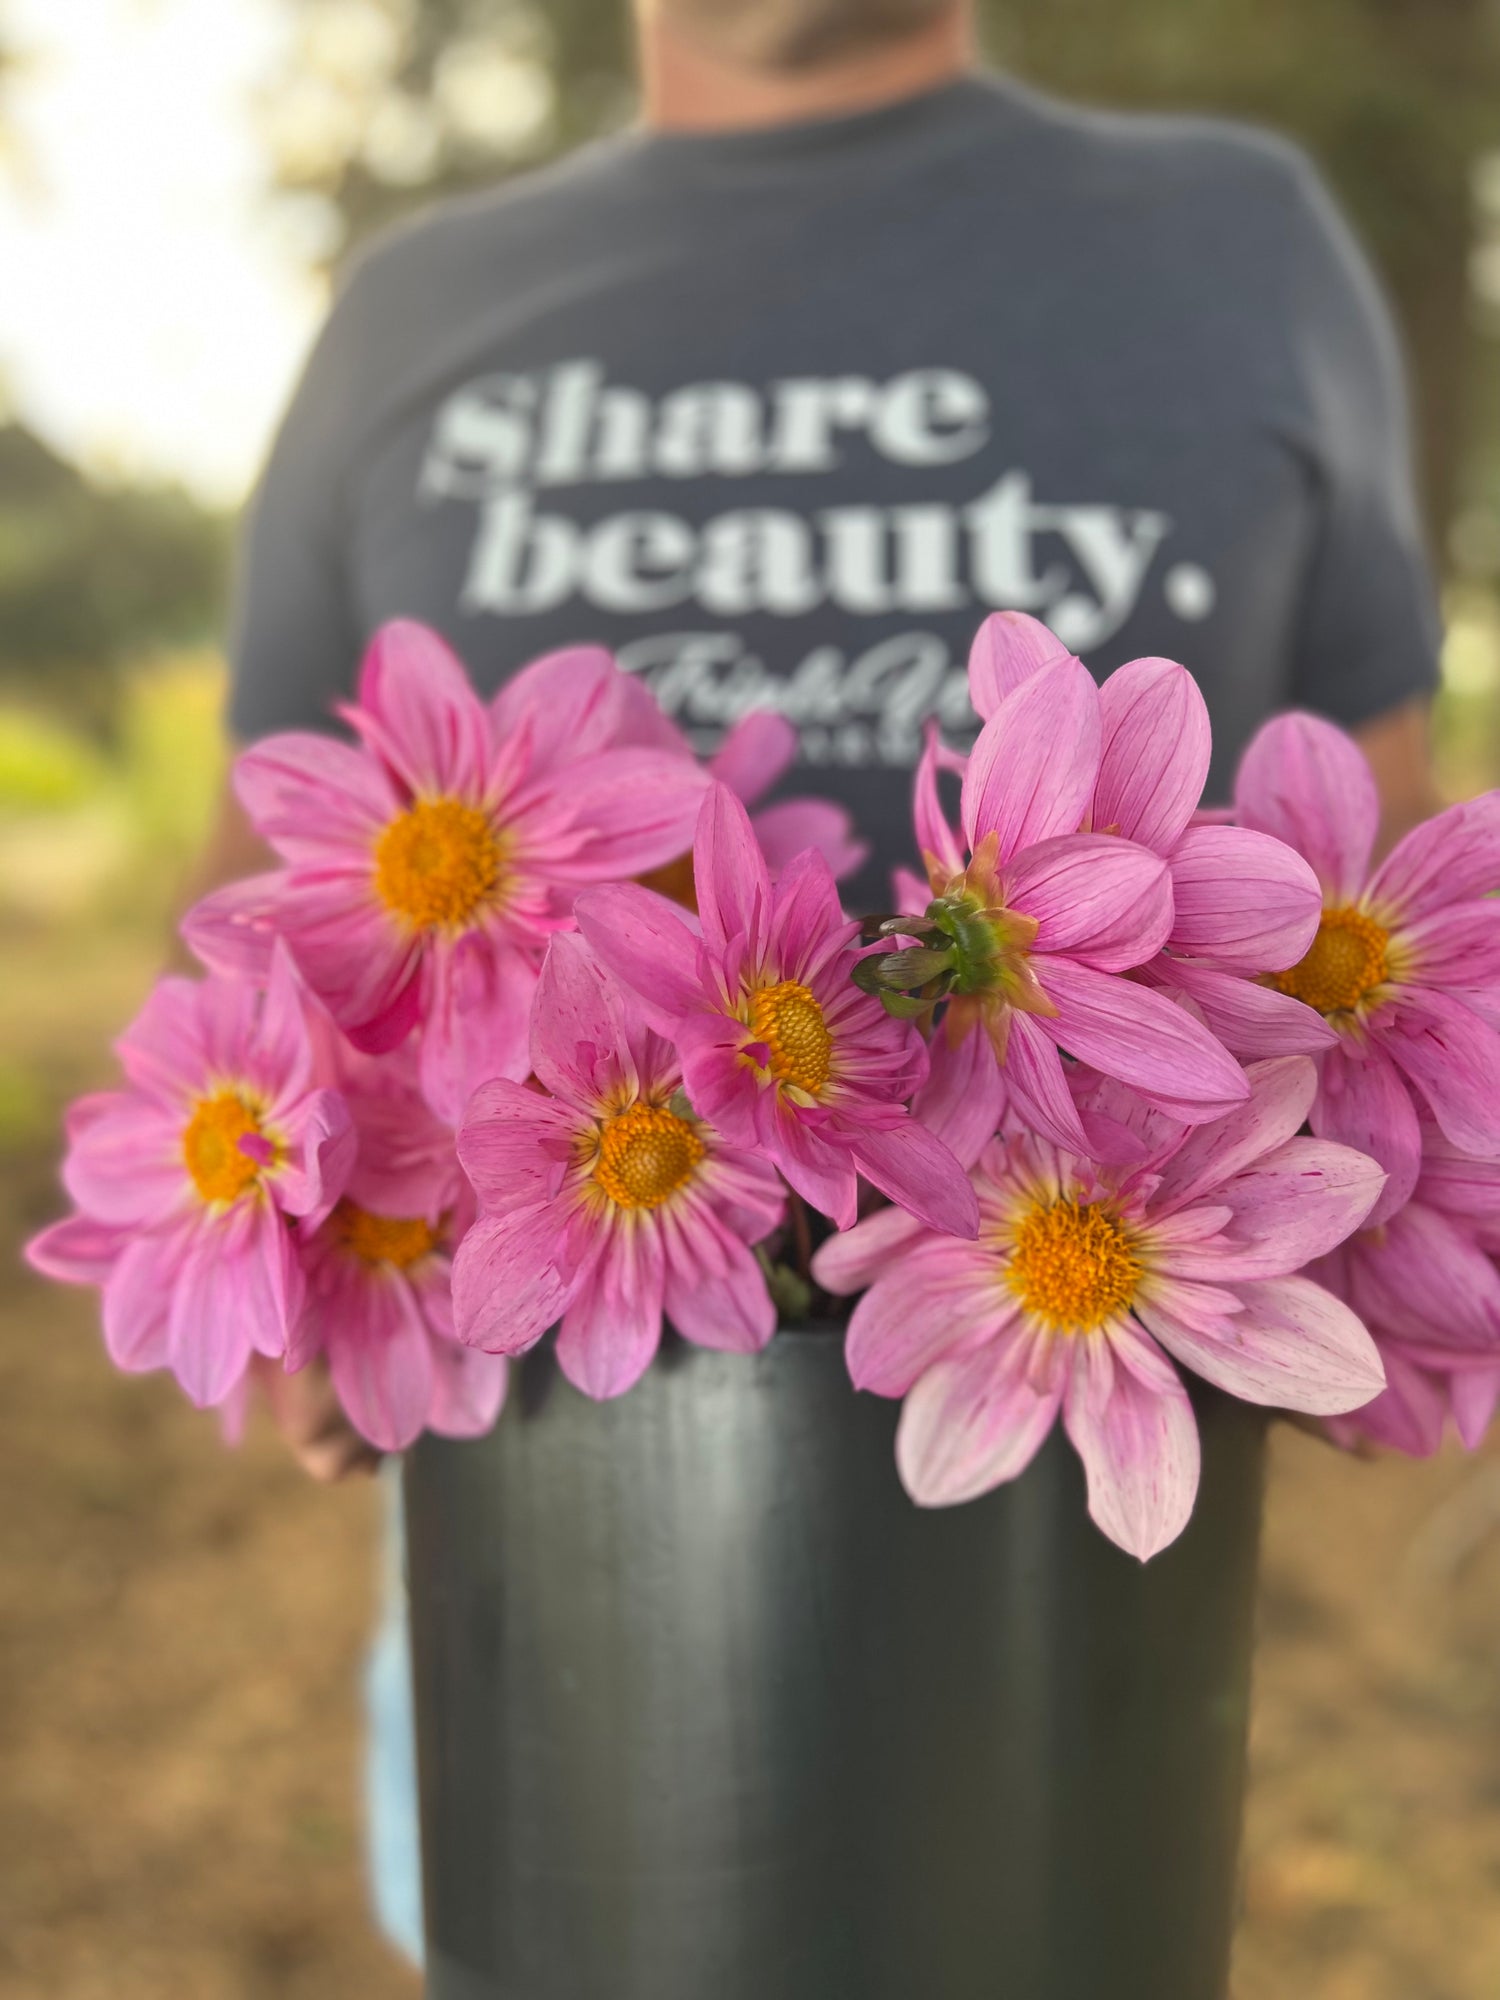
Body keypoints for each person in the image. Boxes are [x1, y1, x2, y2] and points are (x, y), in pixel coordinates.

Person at [190, 0, 1444, 1957]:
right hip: (551, 1585)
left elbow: (1370, 907)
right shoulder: (413, 304)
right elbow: (262, 930)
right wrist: (306, 1250)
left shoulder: (1240, 234)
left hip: (1062, 1626)